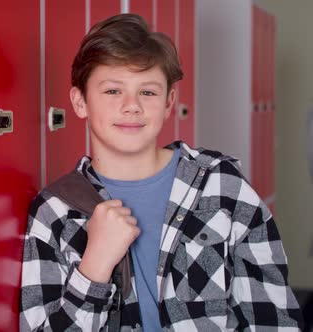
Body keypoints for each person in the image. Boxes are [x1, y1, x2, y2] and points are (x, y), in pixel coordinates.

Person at [19, 13, 303, 331]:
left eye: (148, 92)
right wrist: (94, 265)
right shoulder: (53, 213)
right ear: (80, 101)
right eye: (113, 91)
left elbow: (272, 318)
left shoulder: (222, 185)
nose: (132, 106)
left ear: (169, 103)